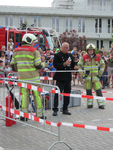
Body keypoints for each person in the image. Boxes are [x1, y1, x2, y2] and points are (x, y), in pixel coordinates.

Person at [10, 33, 47, 121]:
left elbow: (13, 65)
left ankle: (23, 116)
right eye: (34, 41)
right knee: (37, 96)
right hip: (34, 79)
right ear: (29, 40)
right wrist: (44, 64)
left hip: (22, 79)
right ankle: (40, 115)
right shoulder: (34, 51)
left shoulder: (16, 50)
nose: (34, 43)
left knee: (24, 96)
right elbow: (38, 65)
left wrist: (20, 70)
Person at [52, 42, 77, 116]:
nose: (66, 49)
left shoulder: (69, 55)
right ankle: (55, 109)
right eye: (65, 48)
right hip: (60, 77)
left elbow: (72, 65)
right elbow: (55, 65)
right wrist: (64, 64)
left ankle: (65, 108)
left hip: (68, 77)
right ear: (61, 47)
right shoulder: (57, 55)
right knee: (58, 93)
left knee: (67, 93)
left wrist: (75, 67)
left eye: (67, 48)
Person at [78, 43, 105, 109]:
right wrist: (83, 75)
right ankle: (89, 104)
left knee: (99, 91)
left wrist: (100, 74)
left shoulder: (98, 57)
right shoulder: (83, 57)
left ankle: (101, 104)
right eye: (89, 50)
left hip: (96, 78)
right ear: (87, 50)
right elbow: (79, 66)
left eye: (92, 50)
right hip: (87, 79)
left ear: (94, 50)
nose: (90, 51)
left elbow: (103, 65)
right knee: (88, 92)